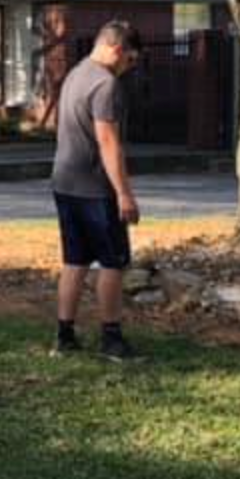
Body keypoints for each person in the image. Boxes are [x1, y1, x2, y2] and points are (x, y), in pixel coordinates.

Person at [50, 20, 143, 362]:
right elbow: (108, 142)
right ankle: (112, 339)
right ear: (117, 49)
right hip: (95, 189)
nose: (129, 68)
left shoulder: (76, 74)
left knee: (74, 261)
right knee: (112, 263)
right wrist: (124, 193)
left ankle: (65, 335)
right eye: (131, 60)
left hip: (64, 182)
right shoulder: (106, 86)